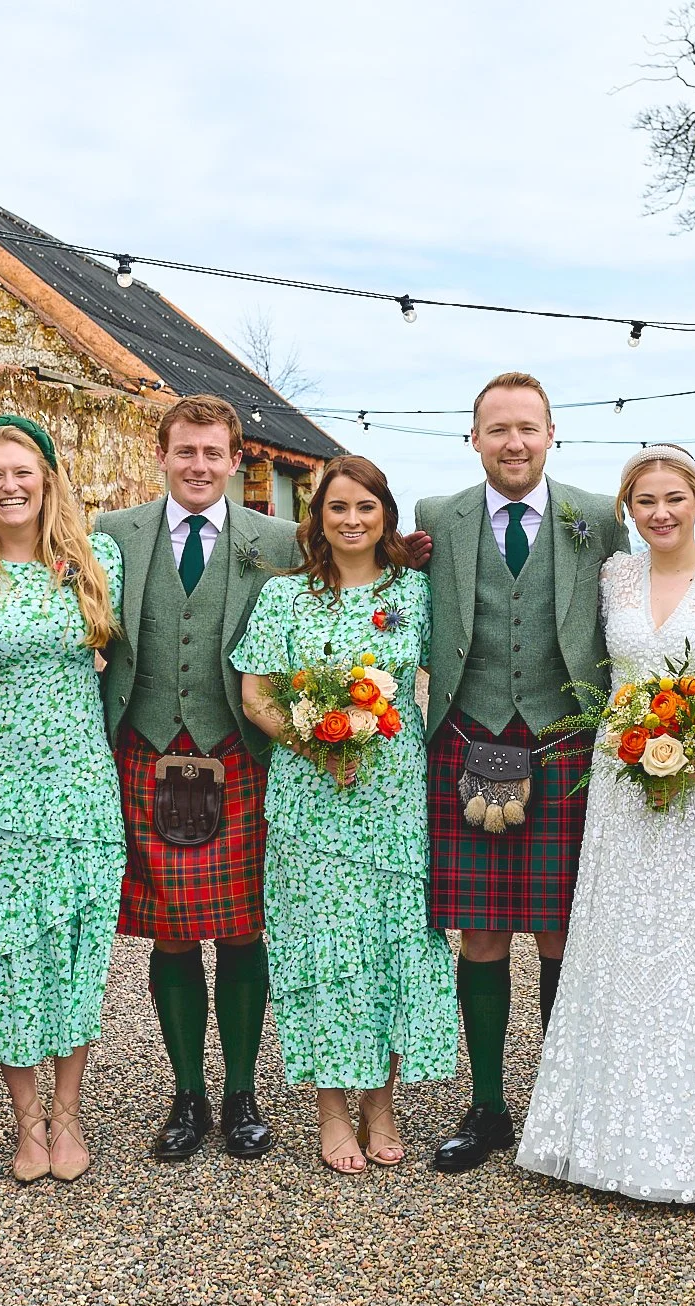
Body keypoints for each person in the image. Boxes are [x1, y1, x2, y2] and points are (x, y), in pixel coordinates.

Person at [516, 446, 695, 1203]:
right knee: (622, 945)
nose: (659, 513)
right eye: (644, 502)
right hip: (622, 778)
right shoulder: (613, 577)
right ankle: (605, 1133)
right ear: (627, 513)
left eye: (673, 498)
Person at [410, 372, 630, 1174]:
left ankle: (560, 1101)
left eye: (527, 428)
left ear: (551, 433)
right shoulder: (438, 517)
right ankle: (489, 1105)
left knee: (564, 930)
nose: (513, 442)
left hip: (566, 744)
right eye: (497, 428)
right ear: (474, 438)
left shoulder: (599, 517)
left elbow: (626, 617)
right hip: (465, 741)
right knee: (483, 930)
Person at [232, 455, 457, 1173]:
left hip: (393, 800)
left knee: (391, 943)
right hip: (310, 802)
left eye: (366, 506)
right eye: (338, 508)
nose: (353, 519)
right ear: (318, 518)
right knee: (323, 951)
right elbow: (256, 696)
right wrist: (313, 738)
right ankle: (331, 1110)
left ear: (386, 514)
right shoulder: (284, 597)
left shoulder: (417, 594)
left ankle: (380, 1103)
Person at [0, 416, 124, 1184]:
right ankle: (24, 1121)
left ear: (48, 478)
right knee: (1, 952)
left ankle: (67, 1115)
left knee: (74, 948)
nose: (10, 485)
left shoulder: (94, 560)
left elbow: (109, 656)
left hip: (77, 785)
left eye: (23, 471)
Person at [96, 396, 300, 1163]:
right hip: (145, 750)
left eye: (214, 453)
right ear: (162, 453)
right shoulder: (113, 535)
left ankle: (242, 1091)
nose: (199, 465)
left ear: (236, 459)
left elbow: (353, 568)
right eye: (186, 451)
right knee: (173, 931)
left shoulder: (277, 539)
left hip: (241, 752)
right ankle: (187, 1093)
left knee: (245, 926)